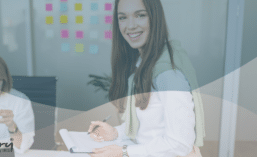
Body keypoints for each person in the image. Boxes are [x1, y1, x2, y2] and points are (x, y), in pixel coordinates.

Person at [87, 0, 205, 157]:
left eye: (140, 15)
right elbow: (148, 127)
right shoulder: (144, 63)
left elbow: (180, 143)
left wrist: (123, 152)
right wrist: (115, 132)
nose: (130, 25)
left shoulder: (168, 74)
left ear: (155, 18)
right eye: (122, 17)